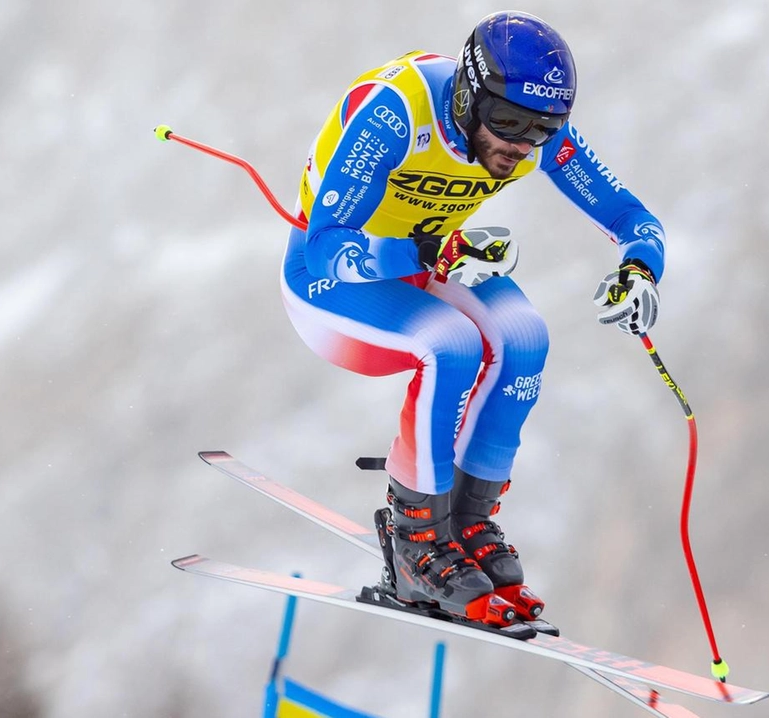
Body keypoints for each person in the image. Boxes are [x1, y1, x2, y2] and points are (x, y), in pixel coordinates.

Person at [280, 11, 665, 624]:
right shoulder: (396, 114)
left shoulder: (535, 135)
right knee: (452, 344)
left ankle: (467, 523)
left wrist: (640, 270)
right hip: (329, 280)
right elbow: (331, 241)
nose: (519, 145)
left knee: (526, 336)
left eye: (541, 130)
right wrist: (431, 250)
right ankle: (416, 542)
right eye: (507, 122)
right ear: (466, 93)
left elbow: (633, 219)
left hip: (431, 252)